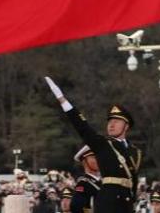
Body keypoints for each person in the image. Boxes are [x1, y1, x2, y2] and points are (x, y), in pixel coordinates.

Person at [45, 77, 142, 213]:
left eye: (116, 121)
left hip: (126, 204)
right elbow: (82, 127)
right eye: (109, 121)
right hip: (108, 202)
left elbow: (134, 180)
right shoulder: (103, 144)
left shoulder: (135, 152)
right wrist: (62, 99)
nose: (111, 125)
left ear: (126, 126)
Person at [71, 146, 101, 213]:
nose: (98, 160)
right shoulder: (83, 184)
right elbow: (75, 207)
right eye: (93, 157)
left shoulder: (105, 181)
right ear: (84, 161)